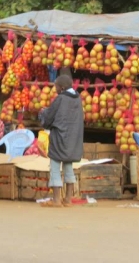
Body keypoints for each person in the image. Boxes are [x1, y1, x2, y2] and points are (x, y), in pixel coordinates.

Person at [39, 75, 84, 207]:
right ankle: (68, 199)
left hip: (59, 138)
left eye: (56, 87)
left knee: (54, 167)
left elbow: (50, 116)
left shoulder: (60, 99)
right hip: (73, 139)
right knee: (68, 167)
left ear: (62, 88)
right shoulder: (78, 99)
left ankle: (57, 200)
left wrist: (43, 113)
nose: (55, 90)